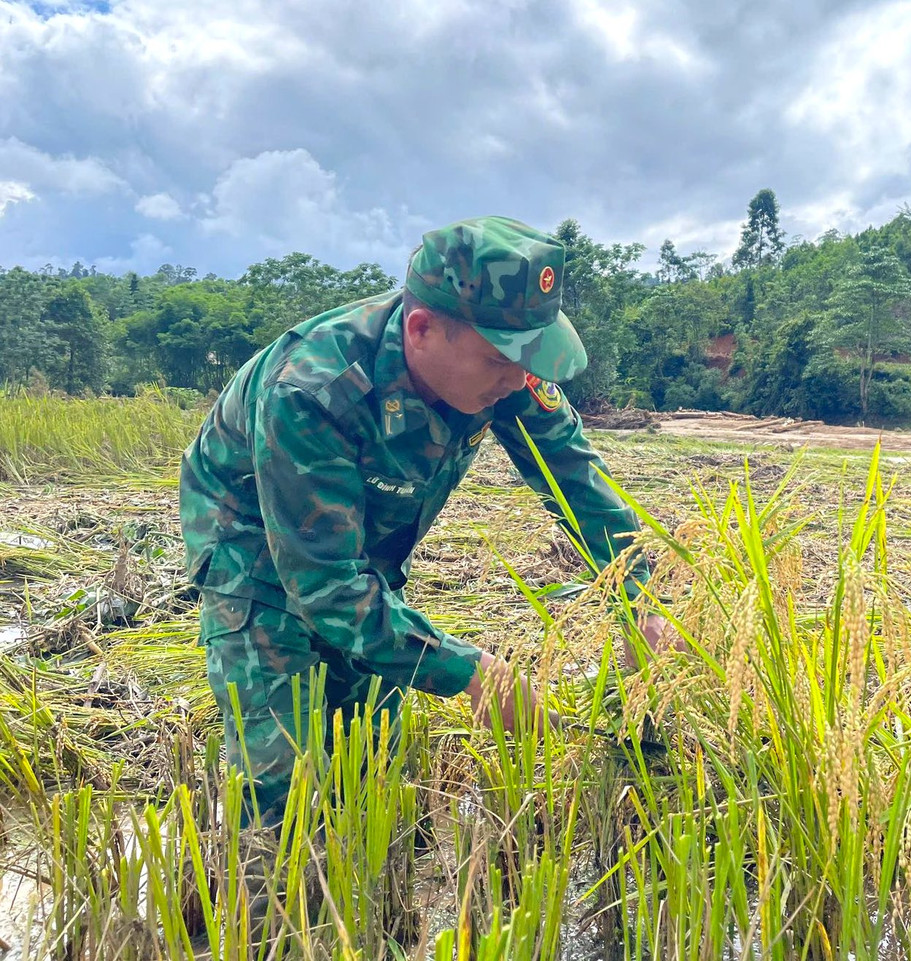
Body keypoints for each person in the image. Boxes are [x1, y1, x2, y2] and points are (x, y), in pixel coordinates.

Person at [179, 215, 667, 827]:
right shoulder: (312, 389)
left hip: (367, 549)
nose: (518, 380)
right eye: (499, 360)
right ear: (421, 329)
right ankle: (266, 906)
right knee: (285, 788)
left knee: (371, 763)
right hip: (251, 548)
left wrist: (639, 601)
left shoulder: (506, 369)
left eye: (528, 358)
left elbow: (579, 487)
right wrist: (471, 673)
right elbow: (324, 585)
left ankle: (366, 902)